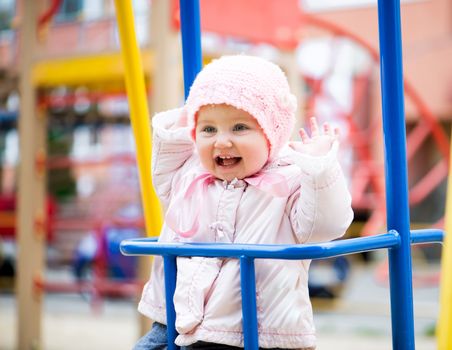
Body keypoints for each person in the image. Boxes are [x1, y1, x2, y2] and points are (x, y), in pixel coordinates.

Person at [134, 55, 354, 350]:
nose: (221, 142)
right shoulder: (190, 176)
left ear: (272, 133)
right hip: (174, 321)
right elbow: (165, 163)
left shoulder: (289, 181)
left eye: (239, 128)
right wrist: (190, 113)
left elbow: (326, 225)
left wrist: (319, 170)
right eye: (208, 129)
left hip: (258, 332)